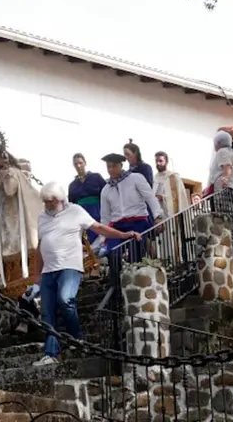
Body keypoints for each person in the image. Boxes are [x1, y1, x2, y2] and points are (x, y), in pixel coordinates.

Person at [33, 181, 142, 366]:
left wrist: (123, 235)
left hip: (70, 266)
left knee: (66, 299)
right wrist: (37, 273)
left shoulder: (75, 211)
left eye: (51, 201)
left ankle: (77, 339)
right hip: (48, 270)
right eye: (45, 201)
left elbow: (98, 227)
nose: (48, 205)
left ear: (60, 199)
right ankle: (51, 353)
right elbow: (39, 246)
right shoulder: (42, 217)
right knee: (47, 312)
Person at [0, 149, 42, 290]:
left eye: (3, 156)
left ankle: (25, 273)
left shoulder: (13, 172)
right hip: (5, 214)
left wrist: (7, 176)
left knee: (17, 241)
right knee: (7, 243)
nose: (2, 159)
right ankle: (9, 275)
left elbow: (10, 191)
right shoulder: (1, 174)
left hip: (16, 214)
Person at [100, 153, 164, 262]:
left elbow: (150, 197)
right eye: (108, 167)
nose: (111, 169)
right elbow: (105, 216)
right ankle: (116, 279)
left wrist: (157, 216)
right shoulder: (105, 189)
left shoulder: (136, 178)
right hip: (117, 226)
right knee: (113, 254)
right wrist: (103, 237)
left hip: (137, 222)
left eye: (113, 166)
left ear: (121, 165)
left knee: (136, 254)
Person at [68, 153, 106, 243]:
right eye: (76, 164)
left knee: (102, 238)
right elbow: (71, 204)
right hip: (82, 216)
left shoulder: (96, 177)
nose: (78, 166)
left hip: (98, 212)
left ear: (85, 163)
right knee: (87, 242)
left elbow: (106, 193)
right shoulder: (72, 185)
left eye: (80, 163)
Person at [153, 151, 190, 219]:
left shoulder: (173, 177)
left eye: (160, 161)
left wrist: (162, 197)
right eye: (156, 161)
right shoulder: (155, 178)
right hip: (158, 215)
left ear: (166, 162)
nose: (158, 163)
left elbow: (181, 197)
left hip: (171, 215)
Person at [204, 131, 233, 197]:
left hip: (222, 191)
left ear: (218, 142)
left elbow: (227, 166)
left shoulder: (222, 151)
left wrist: (225, 179)